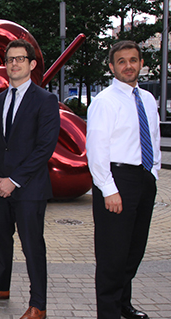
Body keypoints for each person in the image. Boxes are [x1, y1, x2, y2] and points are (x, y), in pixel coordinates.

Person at [0, 39, 60, 319]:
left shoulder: (46, 100)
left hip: (29, 188)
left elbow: (45, 147)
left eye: (20, 59)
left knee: (32, 246)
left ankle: (38, 305)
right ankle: (0, 285)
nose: (14, 64)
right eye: (9, 59)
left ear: (31, 65)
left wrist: (14, 180)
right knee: (1, 241)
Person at [86, 40, 160, 319]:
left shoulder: (148, 99)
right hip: (116, 180)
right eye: (121, 61)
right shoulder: (105, 102)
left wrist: (152, 175)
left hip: (143, 180)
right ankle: (108, 312)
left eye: (133, 60)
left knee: (133, 250)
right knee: (112, 255)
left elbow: (151, 138)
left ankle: (122, 305)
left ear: (141, 64)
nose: (128, 65)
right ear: (112, 67)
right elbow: (96, 150)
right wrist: (108, 189)